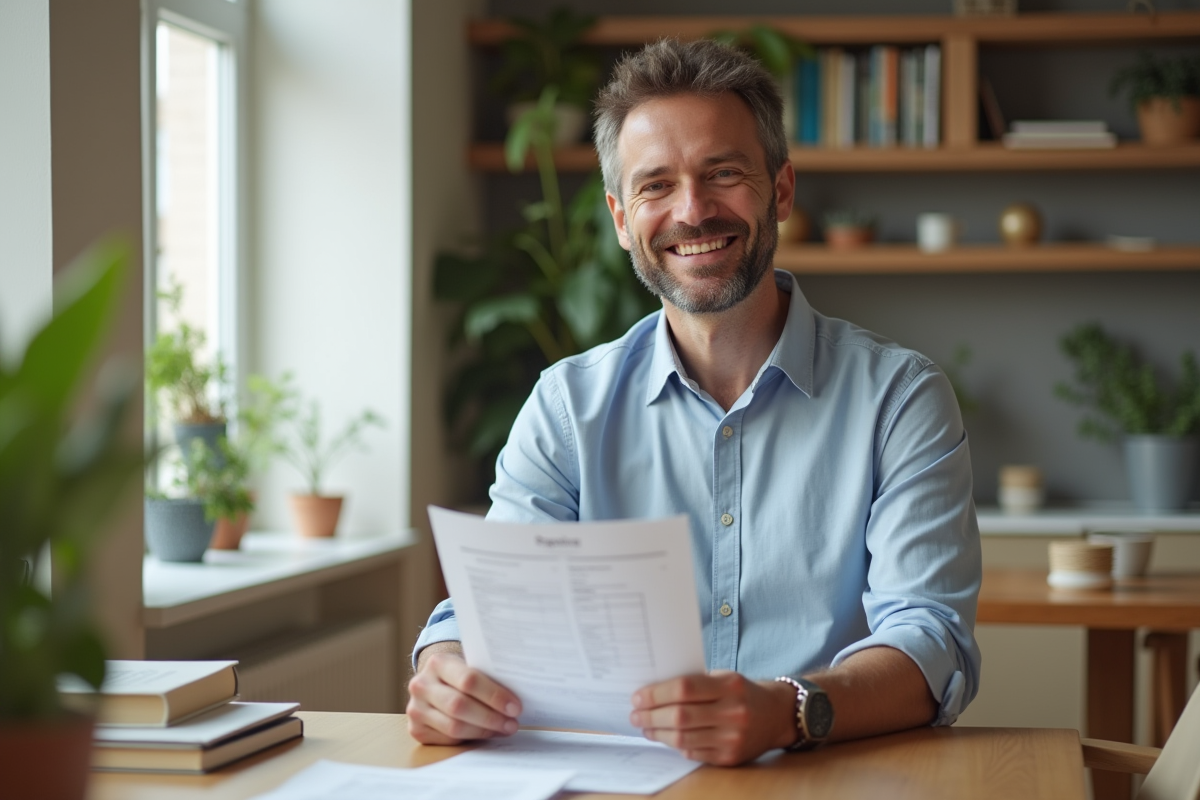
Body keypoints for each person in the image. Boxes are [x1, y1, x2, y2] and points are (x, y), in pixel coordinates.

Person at [407, 38, 981, 766]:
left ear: (779, 190)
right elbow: (490, 610)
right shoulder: (564, 407)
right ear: (621, 219)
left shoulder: (899, 399)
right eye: (655, 186)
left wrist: (789, 710)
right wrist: (444, 670)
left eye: (724, 173)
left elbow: (931, 643)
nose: (693, 211)